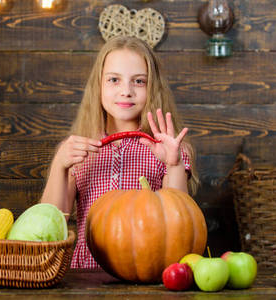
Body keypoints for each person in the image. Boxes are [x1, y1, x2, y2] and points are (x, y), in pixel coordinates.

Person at [40, 36, 199, 268]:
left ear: (153, 87)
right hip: (86, 276)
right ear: (99, 85)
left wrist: (173, 165)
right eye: (114, 79)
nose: (126, 91)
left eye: (139, 81)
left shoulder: (169, 149)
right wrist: (59, 165)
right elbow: (50, 227)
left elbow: (179, 228)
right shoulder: (80, 149)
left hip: (147, 273)